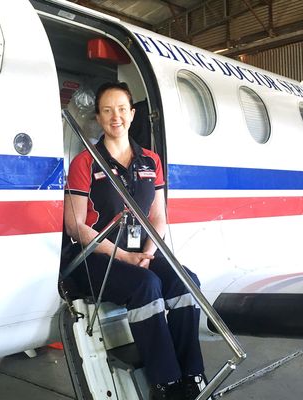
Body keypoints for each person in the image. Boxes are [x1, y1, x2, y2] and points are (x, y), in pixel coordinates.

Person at [62, 82, 205, 400]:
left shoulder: (151, 161)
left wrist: (148, 253)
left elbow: (158, 217)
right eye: (107, 110)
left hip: (142, 251)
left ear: (132, 113)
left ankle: (191, 375)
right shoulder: (85, 163)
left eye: (122, 109)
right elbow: (75, 226)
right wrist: (124, 257)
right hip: (96, 257)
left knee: (186, 282)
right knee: (146, 285)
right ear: (98, 117)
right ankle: (165, 383)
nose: (116, 116)